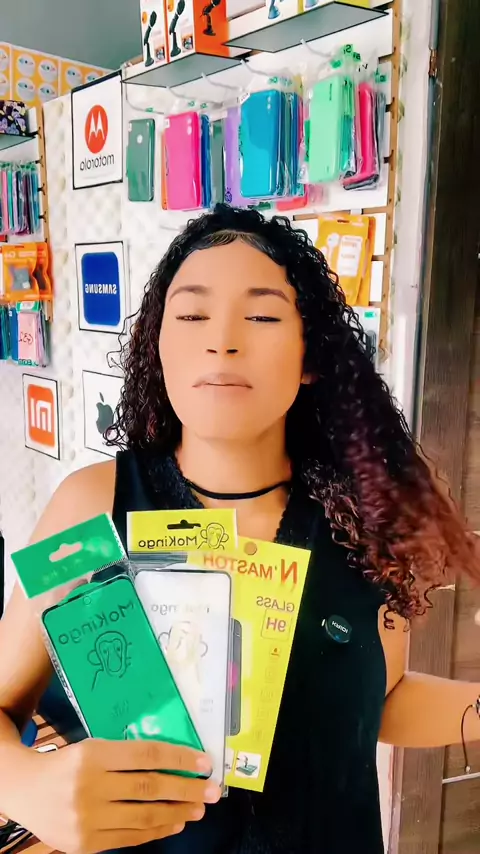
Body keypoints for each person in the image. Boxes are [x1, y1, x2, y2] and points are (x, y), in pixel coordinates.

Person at [0, 204, 479, 854]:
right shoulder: (91, 513)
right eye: (192, 315)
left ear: (310, 358)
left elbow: (380, 699)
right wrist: (23, 783)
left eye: (262, 317)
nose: (222, 341)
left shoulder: (361, 523)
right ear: (157, 347)